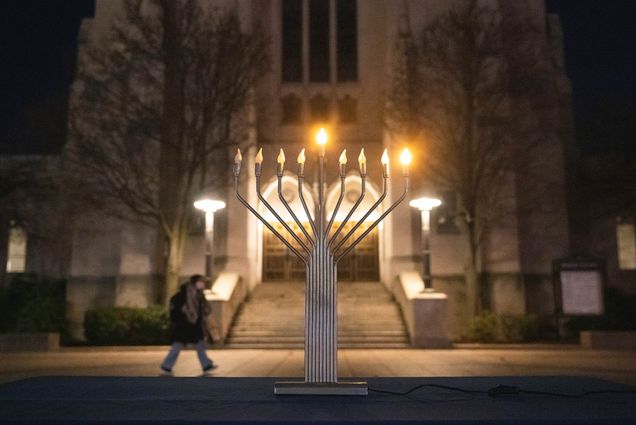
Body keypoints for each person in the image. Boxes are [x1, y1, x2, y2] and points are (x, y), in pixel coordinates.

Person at [160, 274, 216, 375]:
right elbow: (174, 311)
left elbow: (206, 310)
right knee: (177, 346)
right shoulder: (182, 296)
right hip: (184, 326)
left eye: (203, 282)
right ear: (194, 283)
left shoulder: (200, 296)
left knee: (200, 346)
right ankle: (166, 366)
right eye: (200, 282)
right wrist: (180, 317)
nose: (202, 284)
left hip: (196, 326)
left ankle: (206, 365)